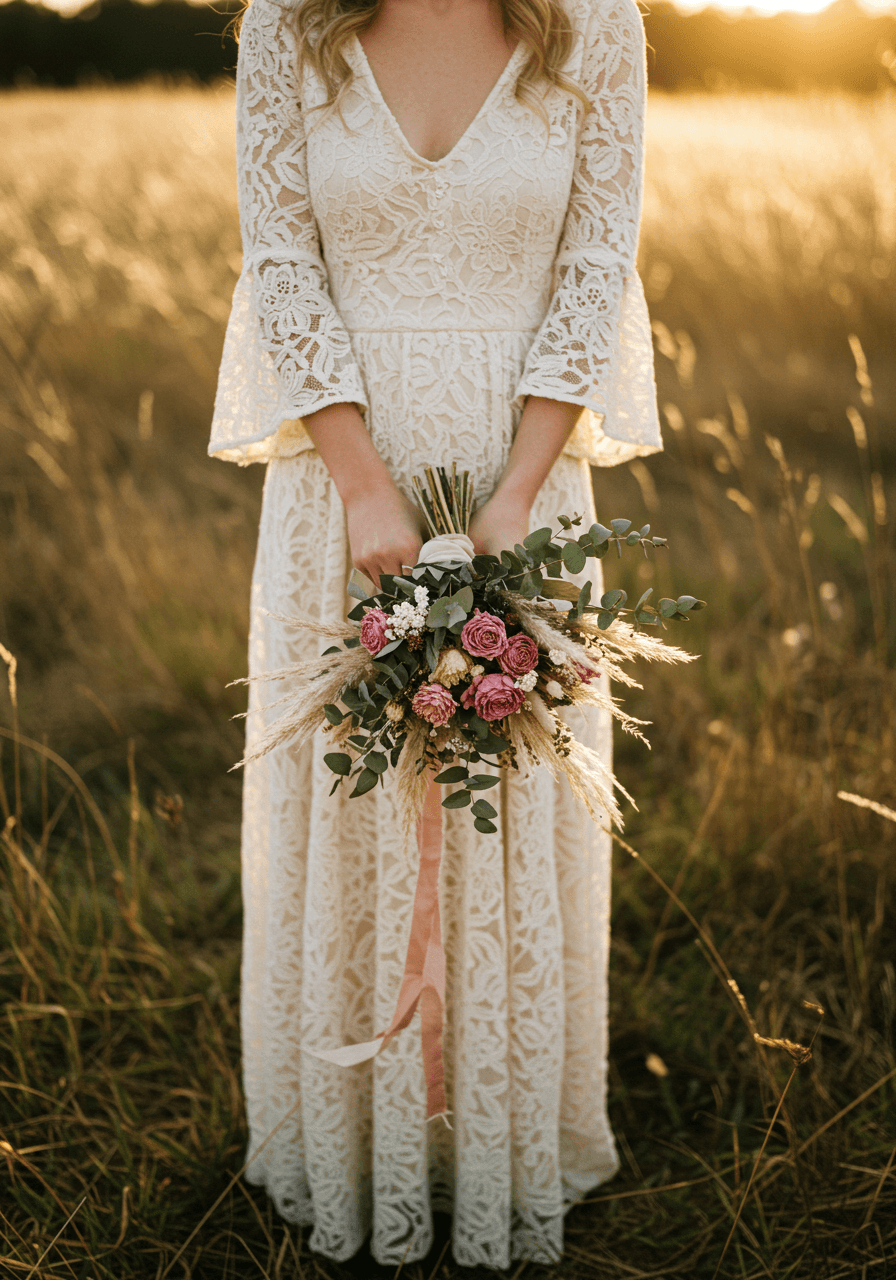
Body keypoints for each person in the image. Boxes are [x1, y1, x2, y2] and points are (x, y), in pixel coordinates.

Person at [209, 0, 662, 1265]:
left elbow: (594, 259)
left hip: (524, 473)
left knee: (505, 802)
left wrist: (513, 498)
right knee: (352, 806)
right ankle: (353, 1139)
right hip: (339, 486)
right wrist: (361, 483)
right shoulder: (287, 25)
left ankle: (497, 1136)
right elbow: (281, 256)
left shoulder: (596, 24)